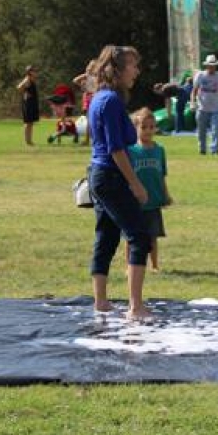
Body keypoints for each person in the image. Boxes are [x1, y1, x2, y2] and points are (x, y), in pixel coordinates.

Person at [86, 45, 153, 321]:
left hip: (98, 175)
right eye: (132, 65)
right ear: (117, 69)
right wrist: (135, 184)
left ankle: (101, 302)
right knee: (139, 236)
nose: (136, 71)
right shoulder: (111, 100)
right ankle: (136, 307)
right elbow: (116, 148)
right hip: (111, 177)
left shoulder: (99, 97)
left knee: (107, 237)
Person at [128, 108, 173, 272]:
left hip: (153, 201)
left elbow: (162, 175)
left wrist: (166, 195)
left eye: (152, 127)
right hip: (135, 202)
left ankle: (154, 265)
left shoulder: (159, 150)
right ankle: (129, 266)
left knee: (152, 236)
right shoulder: (131, 151)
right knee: (132, 237)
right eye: (144, 127)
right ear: (136, 128)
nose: (148, 131)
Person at [190, 54, 218, 154]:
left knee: (215, 130)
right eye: (210, 65)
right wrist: (192, 102)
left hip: (215, 109)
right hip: (202, 108)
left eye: (214, 65)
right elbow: (194, 90)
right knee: (201, 132)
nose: (212, 67)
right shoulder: (200, 75)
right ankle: (202, 149)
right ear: (206, 66)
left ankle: (214, 150)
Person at [16, 65, 39, 146]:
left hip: (32, 102)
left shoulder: (32, 80)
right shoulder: (27, 79)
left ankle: (30, 141)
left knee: (31, 123)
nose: (36, 72)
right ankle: (27, 141)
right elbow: (19, 87)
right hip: (28, 103)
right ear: (30, 72)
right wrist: (25, 93)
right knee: (27, 122)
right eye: (34, 71)